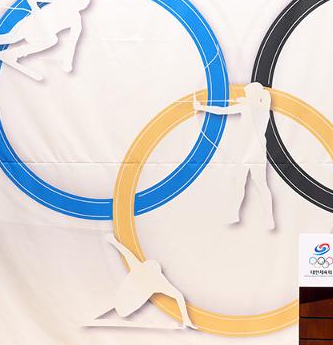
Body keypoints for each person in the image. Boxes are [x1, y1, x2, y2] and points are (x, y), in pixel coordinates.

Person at [192, 82, 275, 229]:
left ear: (253, 94)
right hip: (257, 153)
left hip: (248, 153)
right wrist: (247, 100)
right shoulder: (263, 107)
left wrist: (201, 107)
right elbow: (264, 96)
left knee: (244, 184)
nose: (245, 95)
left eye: (248, 93)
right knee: (253, 184)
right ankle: (261, 219)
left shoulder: (249, 106)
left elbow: (221, 110)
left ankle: (240, 215)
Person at [0, 0, 91, 80]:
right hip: (31, 24)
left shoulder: (75, 19)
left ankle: (13, 53)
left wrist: (67, 63)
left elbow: (71, 44)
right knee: (9, 38)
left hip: (40, 36)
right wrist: (36, 11)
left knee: (52, 40)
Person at [92, 234, 195, 329]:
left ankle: (116, 306)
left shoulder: (156, 280)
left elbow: (125, 252)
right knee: (119, 302)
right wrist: (112, 240)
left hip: (128, 303)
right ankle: (113, 307)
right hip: (126, 299)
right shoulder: (152, 277)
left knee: (120, 305)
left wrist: (112, 240)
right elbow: (178, 296)